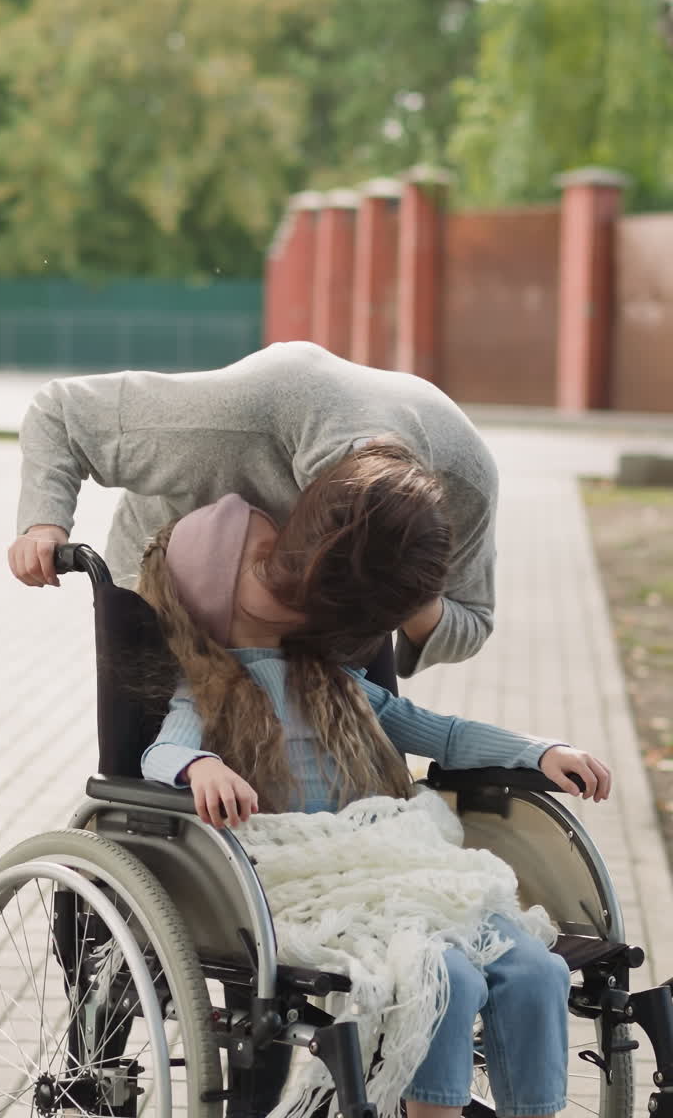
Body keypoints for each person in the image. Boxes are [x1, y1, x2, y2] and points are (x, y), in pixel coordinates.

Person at [134, 446, 611, 1118]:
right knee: (440, 975)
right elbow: (161, 753)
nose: (293, 573)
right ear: (212, 589)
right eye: (267, 562)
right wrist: (200, 765)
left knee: (536, 967)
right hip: (299, 875)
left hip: (393, 858)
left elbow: (440, 732)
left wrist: (539, 751)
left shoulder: (337, 684)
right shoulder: (210, 693)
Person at [7, 341, 500, 686]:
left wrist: (409, 597)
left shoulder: (467, 482)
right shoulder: (229, 420)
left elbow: (472, 621)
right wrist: (44, 524)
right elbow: (60, 414)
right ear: (295, 516)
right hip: (169, 587)